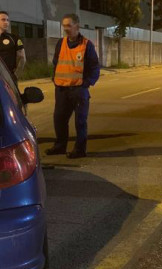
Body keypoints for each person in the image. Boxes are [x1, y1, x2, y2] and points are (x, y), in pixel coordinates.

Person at [45, 13, 100, 159]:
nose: (66, 29)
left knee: (80, 121)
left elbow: (95, 68)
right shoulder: (61, 43)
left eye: (69, 25)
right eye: (64, 26)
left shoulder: (86, 45)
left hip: (78, 90)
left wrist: (86, 84)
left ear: (77, 25)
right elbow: (56, 62)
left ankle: (80, 150)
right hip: (62, 89)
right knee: (59, 119)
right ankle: (60, 146)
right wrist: (54, 77)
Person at [0, 11, 25, 82]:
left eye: (7, 20)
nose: (6, 22)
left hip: (10, 78)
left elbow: (22, 58)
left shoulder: (14, 38)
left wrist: (15, 76)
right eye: (3, 20)